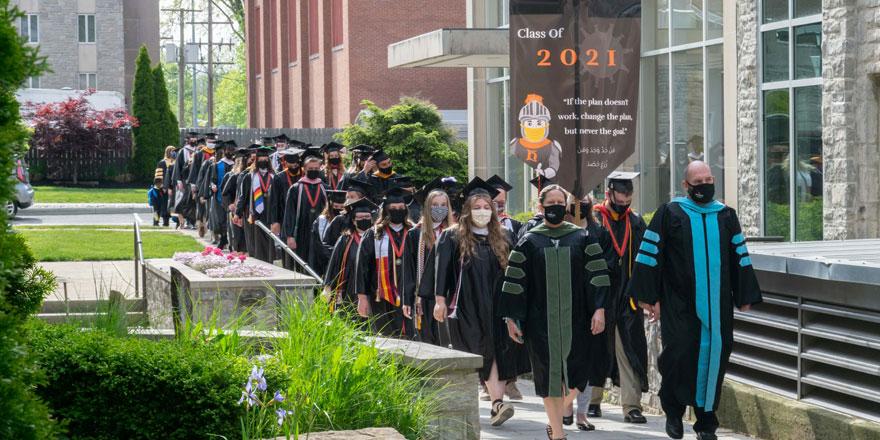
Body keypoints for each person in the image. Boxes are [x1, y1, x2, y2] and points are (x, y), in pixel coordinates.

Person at [627, 161, 762, 440]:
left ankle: (706, 423)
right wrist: (647, 297)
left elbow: (739, 255)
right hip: (679, 304)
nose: (704, 185)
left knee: (716, 357)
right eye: (697, 182)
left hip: (718, 306)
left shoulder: (725, 215)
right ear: (686, 186)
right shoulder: (670, 213)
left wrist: (745, 294)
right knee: (679, 356)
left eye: (708, 179)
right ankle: (674, 412)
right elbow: (651, 254)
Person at [498, 184, 610, 440]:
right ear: (541, 207)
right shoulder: (529, 241)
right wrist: (511, 318)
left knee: (577, 378)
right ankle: (558, 434)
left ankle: (556, 424)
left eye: (562, 202)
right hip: (540, 322)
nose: (557, 207)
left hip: (577, 319)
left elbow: (598, 276)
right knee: (548, 377)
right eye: (552, 203)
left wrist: (599, 309)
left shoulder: (582, 238)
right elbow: (515, 283)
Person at [421, 177, 522, 427]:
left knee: (497, 349)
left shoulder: (504, 236)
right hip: (465, 305)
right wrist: (439, 301)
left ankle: (497, 403)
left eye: (487, 207)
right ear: (467, 209)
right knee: (478, 349)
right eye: (477, 207)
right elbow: (441, 269)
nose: (482, 212)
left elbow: (516, 271)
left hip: (498, 304)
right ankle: (483, 402)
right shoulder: (452, 237)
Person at [583, 172, 649, 423]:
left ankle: (631, 406)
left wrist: (647, 295)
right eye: (621, 193)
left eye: (629, 193)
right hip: (600, 292)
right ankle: (592, 400)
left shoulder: (636, 222)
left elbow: (645, 261)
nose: (626, 198)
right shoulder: (596, 219)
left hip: (627, 296)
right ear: (610, 193)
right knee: (597, 346)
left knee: (629, 347)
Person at [355, 186, 413, 337]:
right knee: (386, 336)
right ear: (385, 210)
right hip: (381, 296)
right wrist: (362, 298)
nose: (397, 210)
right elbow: (363, 268)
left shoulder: (414, 232)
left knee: (411, 336)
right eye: (393, 208)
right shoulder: (373, 234)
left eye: (401, 207)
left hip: (410, 294)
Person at [402, 183, 455, 344]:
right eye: (435, 205)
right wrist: (407, 299)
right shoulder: (415, 234)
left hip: (447, 294)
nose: (439, 209)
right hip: (423, 296)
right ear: (427, 207)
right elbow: (408, 269)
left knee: (447, 340)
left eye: (443, 205)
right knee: (427, 339)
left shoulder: (454, 234)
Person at [323, 197, 377, 312]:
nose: (364, 219)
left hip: (371, 286)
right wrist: (328, 286)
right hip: (348, 286)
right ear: (353, 220)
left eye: (367, 217)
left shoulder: (378, 238)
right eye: (360, 217)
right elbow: (334, 263)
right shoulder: (345, 239)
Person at [282, 147, 327, 265]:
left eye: (316, 168)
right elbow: (289, 213)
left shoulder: (324, 188)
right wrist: (289, 236)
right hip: (301, 231)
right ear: (304, 169)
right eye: (310, 169)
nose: (314, 170)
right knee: (301, 260)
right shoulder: (296, 189)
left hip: (320, 231)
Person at [234, 145, 276, 262]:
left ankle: (269, 262)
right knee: (254, 241)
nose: (263, 160)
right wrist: (238, 214)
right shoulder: (249, 176)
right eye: (260, 158)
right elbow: (243, 196)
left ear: (269, 160)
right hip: (253, 213)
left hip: (269, 213)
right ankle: (256, 262)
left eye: (265, 158)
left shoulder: (274, 176)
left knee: (269, 240)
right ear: (256, 160)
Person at [269, 147, 306, 267]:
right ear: (285, 162)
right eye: (290, 163)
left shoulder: (305, 175)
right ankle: (289, 269)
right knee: (288, 248)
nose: (293, 165)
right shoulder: (279, 178)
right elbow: (273, 201)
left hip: (303, 216)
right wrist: (274, 221)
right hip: (285, 217)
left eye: (296, 162)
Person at [206, 141, 237, 249]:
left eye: (232, 150)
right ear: (224, 151)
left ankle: (231, 241)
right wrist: (212, 186)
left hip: (232, 198)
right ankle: (223, 238)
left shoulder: (236, 165)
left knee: (231, 220)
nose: (230, 152)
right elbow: (212, 180)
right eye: (228, 150)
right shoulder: (217, 165)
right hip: (219, 196)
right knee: (220, 220)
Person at [308, 190, 347, 276]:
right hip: (324, 260)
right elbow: (316, 244)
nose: (338, 209)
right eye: (336, 206)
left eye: (342, 207)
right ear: (330, 206)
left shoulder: (349, 221)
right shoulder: (321, 221)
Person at [222, 146, 250, 252]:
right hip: (236, 211)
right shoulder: (234, 176)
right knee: (237, 238)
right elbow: (225, 193)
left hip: (247, 210)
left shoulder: (250, 175)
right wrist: (230, 204)